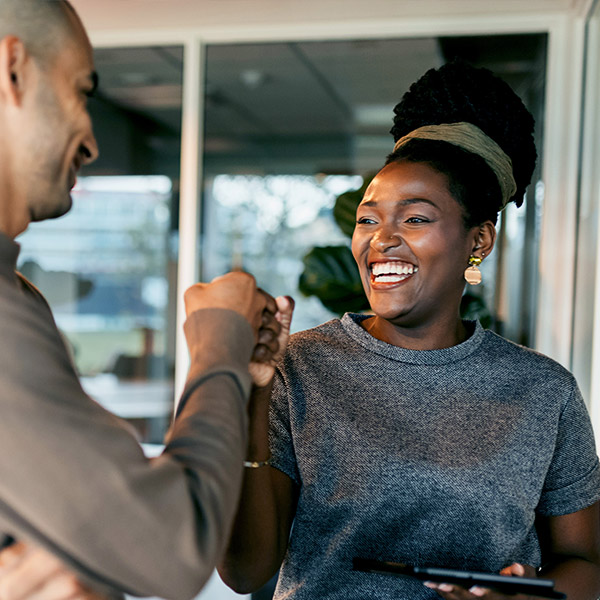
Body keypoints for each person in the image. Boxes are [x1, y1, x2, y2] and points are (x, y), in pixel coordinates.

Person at [217, 61, 600, 600]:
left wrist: (526, 597)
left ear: (479, 242)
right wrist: (251, 395)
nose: (381, 241)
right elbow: (244, 572)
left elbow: (585, 562)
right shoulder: (296, 369)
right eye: (368, 219)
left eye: (416, 219)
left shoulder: (544, 390)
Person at [0, 0, 289, 598]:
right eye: (82, 92)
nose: (92, 143)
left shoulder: (19, 297)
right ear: (11, 70)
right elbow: (169, 543)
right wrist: (219, 341)